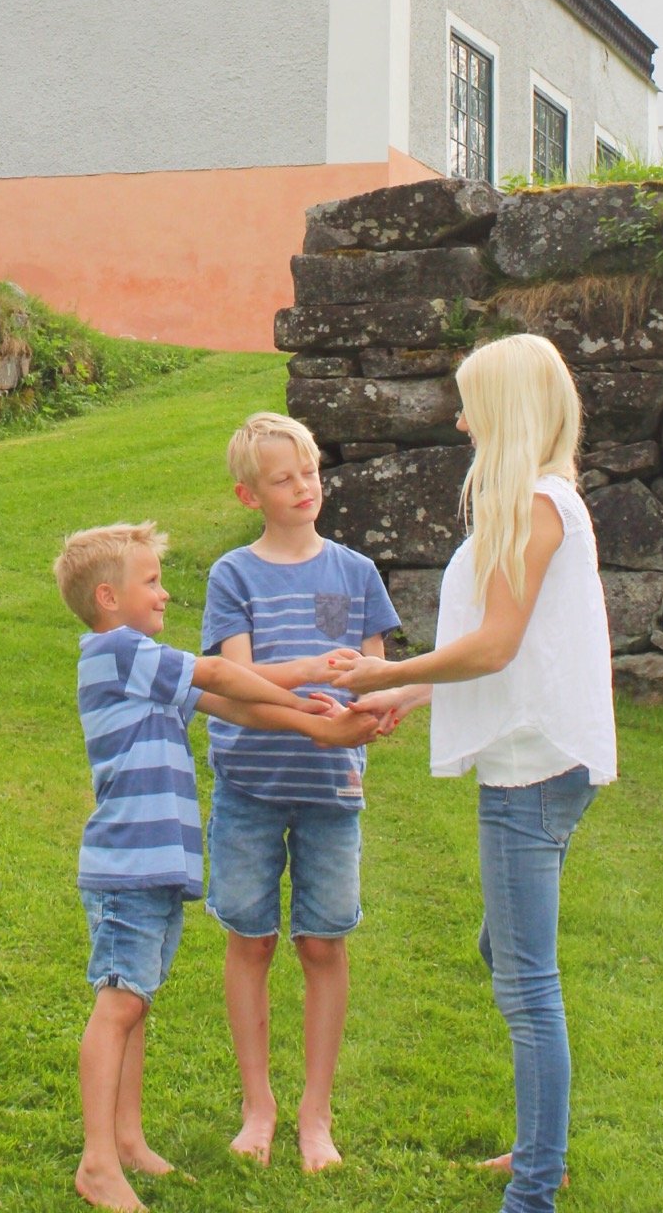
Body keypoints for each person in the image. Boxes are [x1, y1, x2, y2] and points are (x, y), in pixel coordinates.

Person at [334, 333, 616, 1213]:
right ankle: (542, 1149)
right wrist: (406, 695)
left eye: (470, 406)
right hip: (541, 758)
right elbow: (511, 652)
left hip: (529, 775)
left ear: (507, 412)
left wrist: (377, 674)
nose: (460, 422)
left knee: (527, 986)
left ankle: (534, 1188)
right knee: (509, 954)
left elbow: (493, 648)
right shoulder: (545, 501)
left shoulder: (537, 505)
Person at [53, 518, 368, 1213]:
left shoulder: (142, 664)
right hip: (127, 866)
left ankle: (127, 1141)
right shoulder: (118, 650)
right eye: (152, 581)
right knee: (119, 1004)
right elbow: (224, 672)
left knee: (134, 1001)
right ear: (108, 598)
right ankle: (97, 1162)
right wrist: (307, 686)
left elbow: (230, 703)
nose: (165, 593)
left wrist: (318, 719)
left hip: (151, 867)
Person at [201, 412, 401, 1172]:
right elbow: (234, 681)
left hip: (331, 792)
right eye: (283, 479)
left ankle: (316, 1114)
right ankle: (259, 1106)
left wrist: (375, 711)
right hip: (249, 787)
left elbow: (375, 676)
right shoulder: (232, 575)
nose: (303, 487)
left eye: (310, 472)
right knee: (250, 940)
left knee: (322, 943)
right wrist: (313, 678)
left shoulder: (356, 573)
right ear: (248, 495)